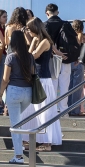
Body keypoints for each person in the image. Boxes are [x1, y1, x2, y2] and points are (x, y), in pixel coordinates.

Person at [0, 30, 38, 164]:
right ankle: (19, 145)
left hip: (14, 91)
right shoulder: (30, 57)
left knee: (15, 124)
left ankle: (18, 156)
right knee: (17, 121)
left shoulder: (10, 57)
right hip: (27, 92)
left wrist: (0, 95)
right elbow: (33, 75)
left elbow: (5, 79)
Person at [26, 17, 62, 148]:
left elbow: (33, 56)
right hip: (35, 79)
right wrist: (33, 41)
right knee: (31, 111)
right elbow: (29, 55)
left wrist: (33, 41)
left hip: (43, 80)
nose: (28, 32)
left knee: (44, 111)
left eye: (29, 29)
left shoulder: (46, 42)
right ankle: (32, 139)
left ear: (35, 28)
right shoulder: (36, 40)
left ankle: (46, 141)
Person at [44, 4, 79, 120]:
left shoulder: (46, 25)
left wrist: (56, 52)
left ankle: (52, 112)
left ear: (47, 13)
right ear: (57, 12)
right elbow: (75, 41)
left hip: (52, 58)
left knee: (53, 85)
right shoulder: (66, 24)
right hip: (66, 58)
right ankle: (64, 111)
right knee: (65, 85)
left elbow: (47, 41)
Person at [71, 20, 85, 117]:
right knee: (77, 89)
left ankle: (69, 109)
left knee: (70, 88)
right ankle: (75, 111)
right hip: (78, 63)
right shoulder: (79, 35)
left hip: (70, 63)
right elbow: (80, 50)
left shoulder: (70, 35)